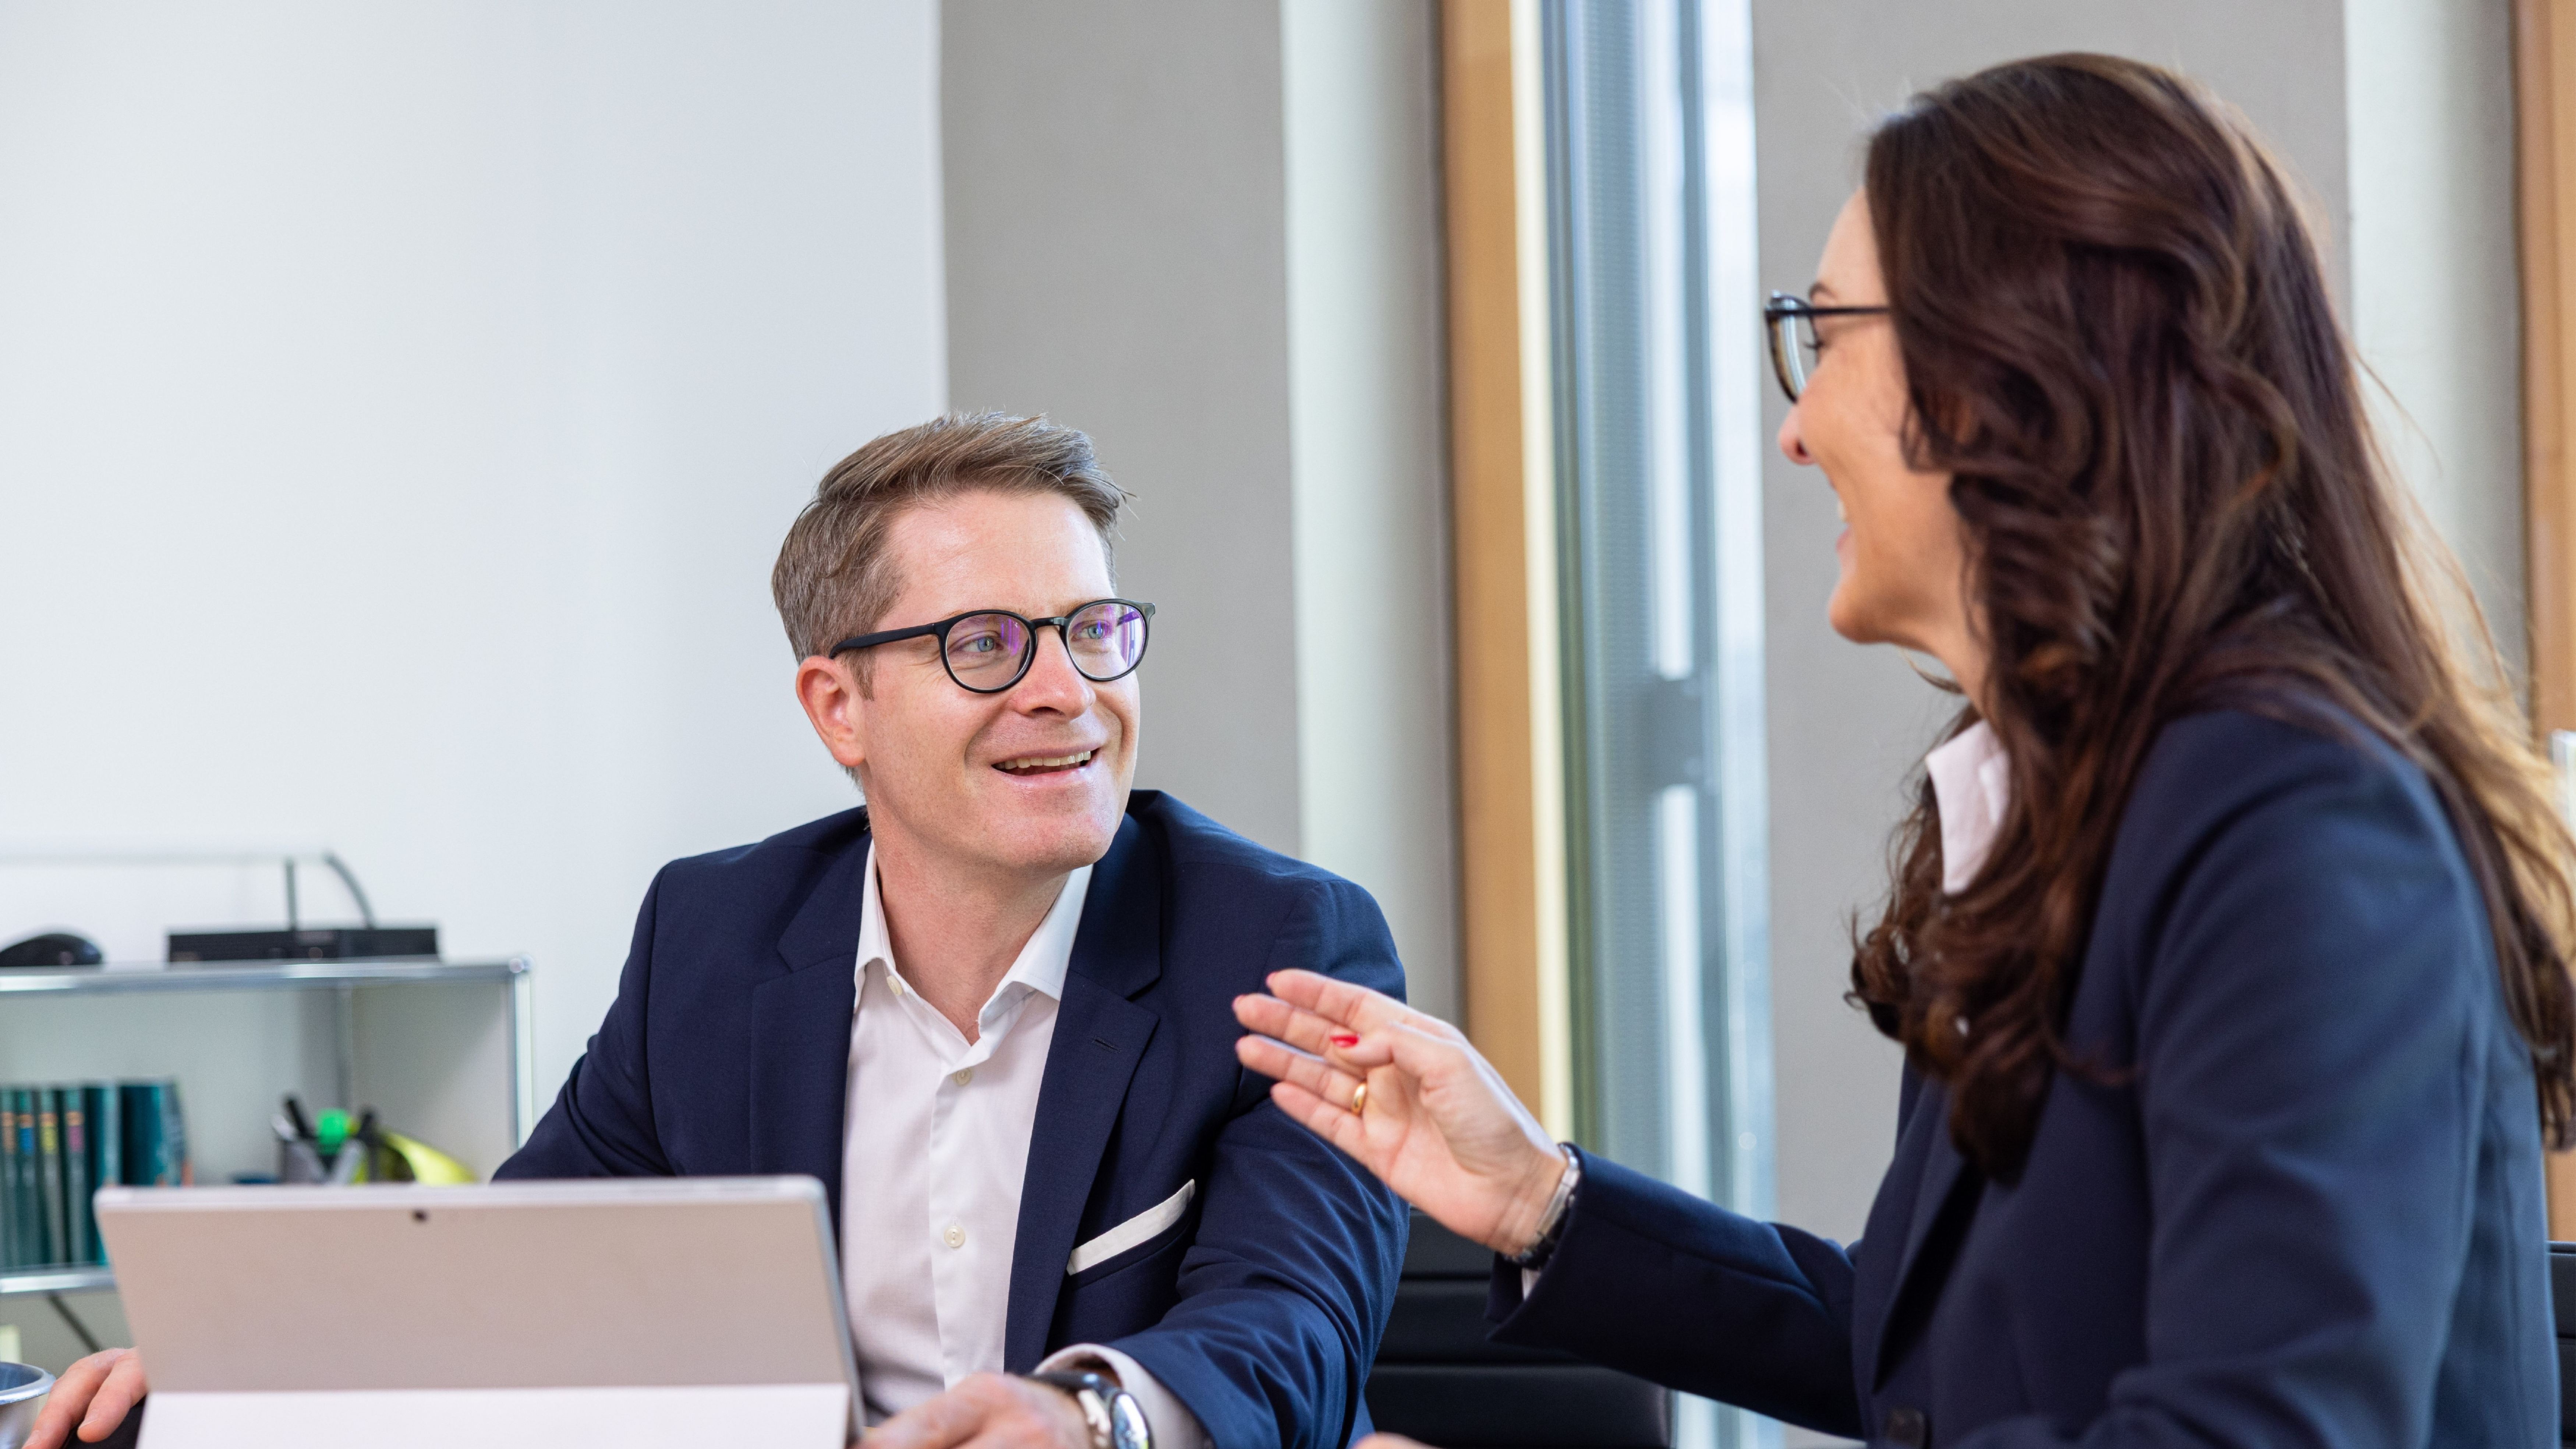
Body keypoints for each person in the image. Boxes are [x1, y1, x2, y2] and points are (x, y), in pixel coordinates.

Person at [1237, 53, 2574, 1448]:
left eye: (1825, 336)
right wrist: (1540, 1200)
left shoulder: (2300, 824)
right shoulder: (2075, 799)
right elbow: (1937, 1373)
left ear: (2015, 368)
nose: (1794, 428)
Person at [36, 413, 1409, 1449]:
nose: (1065, 690)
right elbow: (520, 1262)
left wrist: (1092, 1418)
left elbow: (1295, 1326)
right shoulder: (716, 933)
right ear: (838, 711)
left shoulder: (1280, 941)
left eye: (1094, 630)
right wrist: (264, 1361)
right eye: (986, 644)